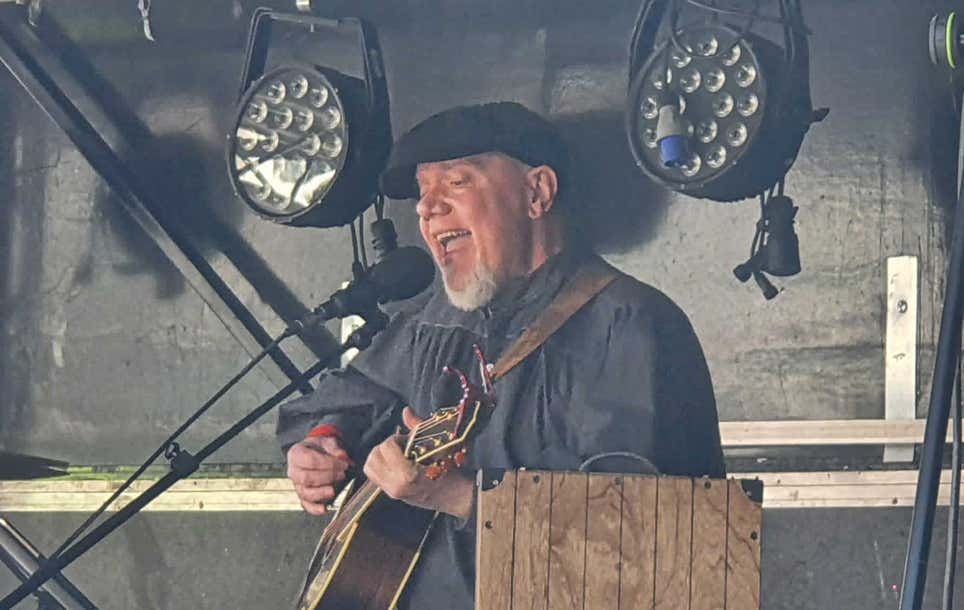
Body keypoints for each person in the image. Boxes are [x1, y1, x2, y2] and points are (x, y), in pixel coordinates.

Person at [277, 101, 725, 609]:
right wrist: (321, 445)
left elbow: (649, 542)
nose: (427, 208)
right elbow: (345, 402)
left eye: (456, 181)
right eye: (423, 194)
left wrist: (455, 495)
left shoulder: (631, 326)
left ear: (537, 193)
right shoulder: (434, 322)